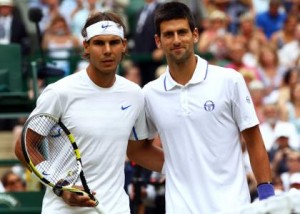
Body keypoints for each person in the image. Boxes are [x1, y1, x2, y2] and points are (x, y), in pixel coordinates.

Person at [14, 11, 164, 214]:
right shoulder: (60, 92)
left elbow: (137, 150)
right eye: (99, 43)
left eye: (114, 42)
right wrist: (61, 186)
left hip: (115, 208)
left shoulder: (134, 94)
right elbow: (24, 146)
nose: (107, 50)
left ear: (124, 46)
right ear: (86, 46)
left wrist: (184, 166)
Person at [142, 2, 275, 213]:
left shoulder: (229, 80)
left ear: (195, 35)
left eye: (182, 32)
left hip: (233, 207)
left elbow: (253, 138)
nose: (176, 40)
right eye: (168, 34)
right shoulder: (149, 93)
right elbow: (136, 149)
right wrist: (174, 167)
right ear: (158, 41)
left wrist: (266, 193)